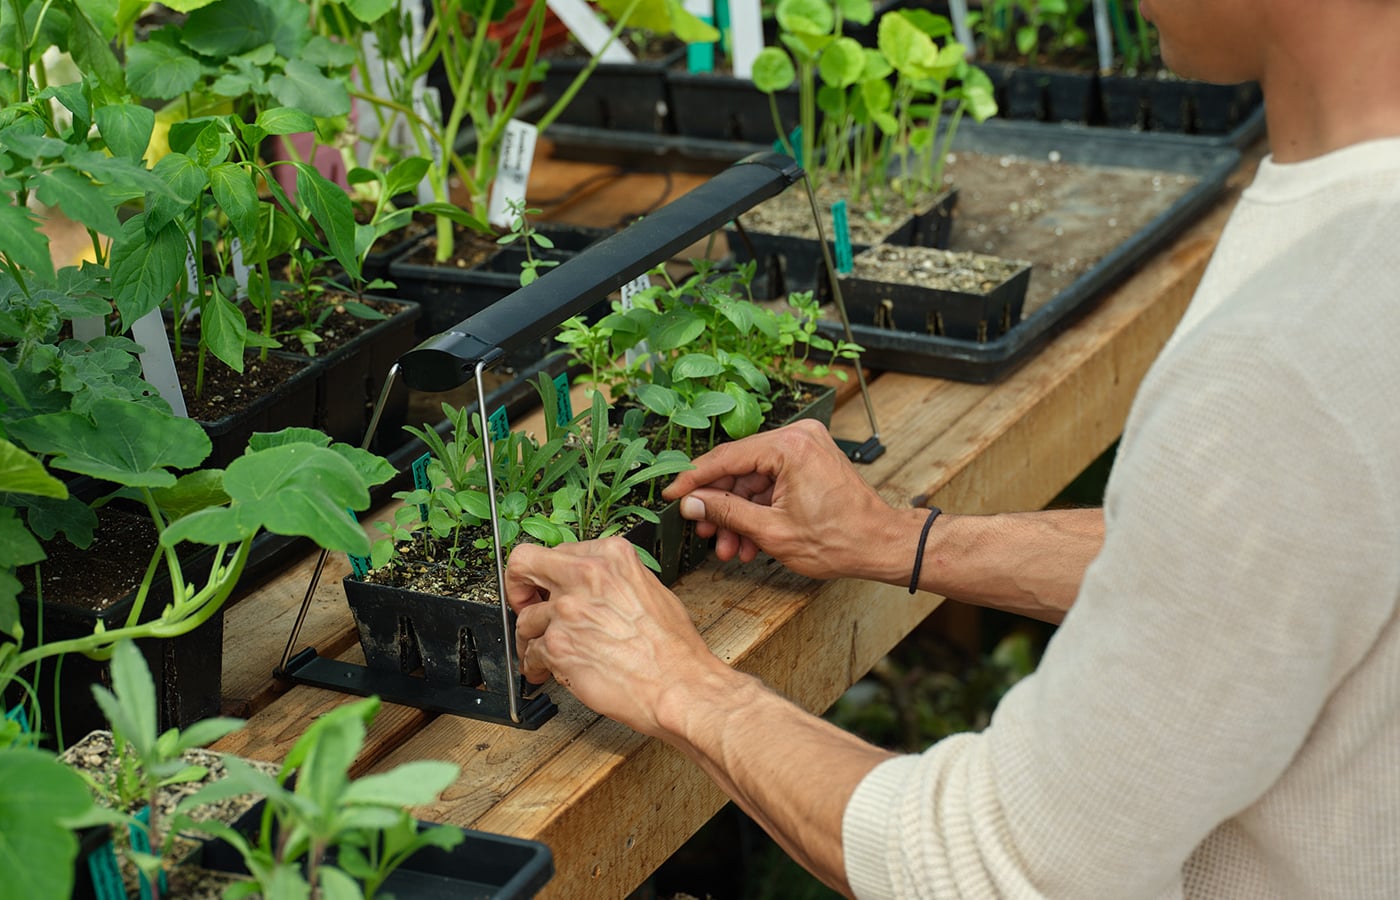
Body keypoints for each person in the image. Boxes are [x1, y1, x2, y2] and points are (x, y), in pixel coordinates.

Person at [504, 1, 1400, 896]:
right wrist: (900, 540)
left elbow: (1001, 866)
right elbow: (1250, 566)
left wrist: (680, 685)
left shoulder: (1296, 348)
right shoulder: (1345, 242)